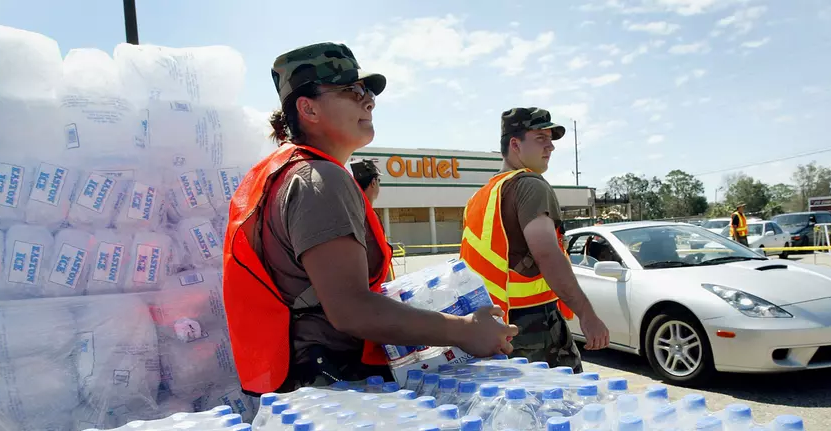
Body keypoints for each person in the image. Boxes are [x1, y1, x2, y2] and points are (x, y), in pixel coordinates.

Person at [223, 42, 517, 394]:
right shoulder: (318, 180)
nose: (369, 100)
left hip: (309, 383)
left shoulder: (291, 172)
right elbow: (351, 310)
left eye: (368, 92)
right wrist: (465, 329)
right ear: (308, 108)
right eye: (352, 90)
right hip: (335, 385)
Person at [459, 107, 609, 371]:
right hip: (534, 326)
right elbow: (548, 254)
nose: (550, 147)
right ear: (515, 144)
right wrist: (587, 314)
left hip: (491, 325)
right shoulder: (530, 184)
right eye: (541, 138)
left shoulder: (483, 196)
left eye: (550, 140)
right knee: (563, 403)